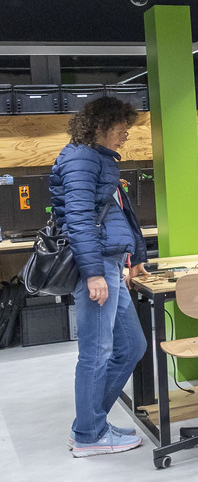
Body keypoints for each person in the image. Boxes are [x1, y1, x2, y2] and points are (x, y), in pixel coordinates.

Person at [50, 95, 149, 457]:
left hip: (110, 263)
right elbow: (78, 219)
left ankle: (91, 423)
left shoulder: (97, 158)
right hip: (97, 266)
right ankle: (88, 435)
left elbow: (117, 213)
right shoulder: (82, 158)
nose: (126, 135)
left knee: (132, 346)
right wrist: (94, 274)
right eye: (122, 128)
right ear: (102, 125)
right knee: (96, 352)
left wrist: (134, 259)